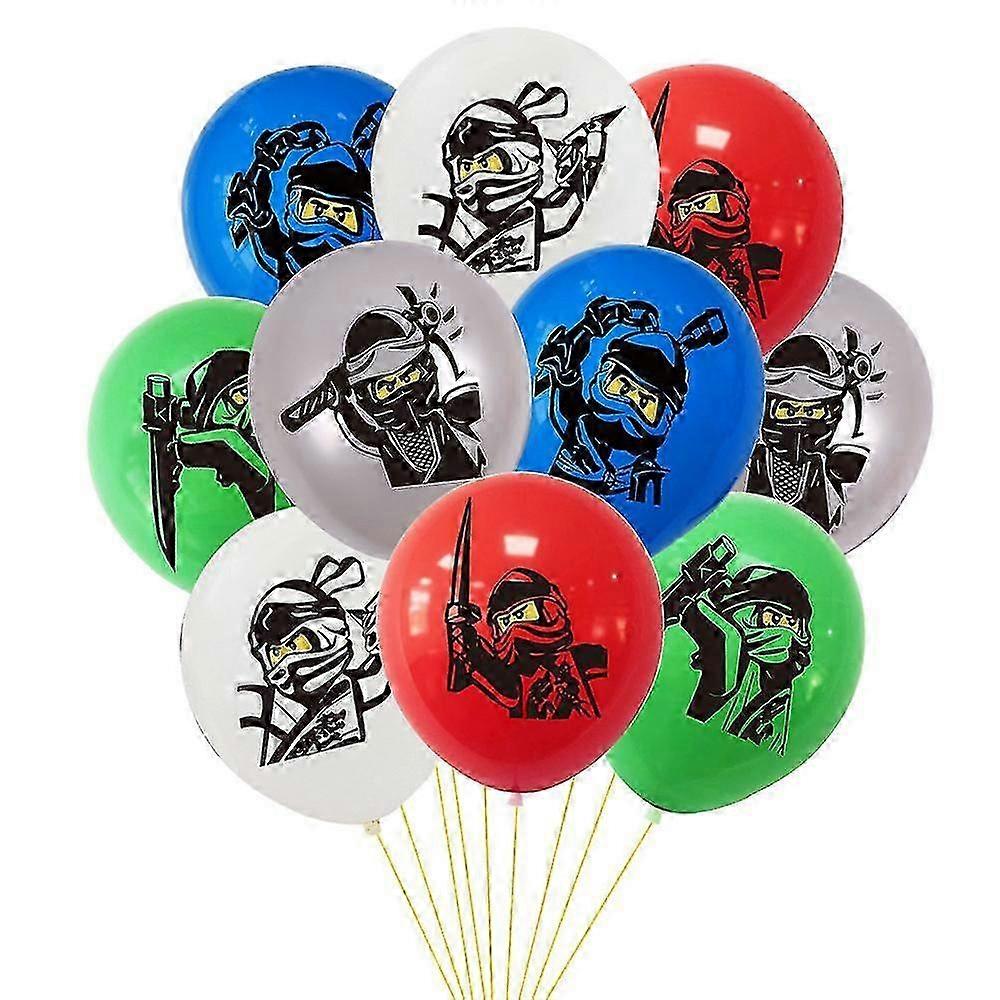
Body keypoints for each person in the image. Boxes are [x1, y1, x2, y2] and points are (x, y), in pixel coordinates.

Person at [534, 296, 728, 505]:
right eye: (623, 388)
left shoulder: (643, 474)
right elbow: (565, 405)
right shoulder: (582, 426)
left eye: (644, 404)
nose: (626, 408)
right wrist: (571, 361)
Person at [421, 82, 620, 273]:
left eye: (486, 163)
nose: (471, 179)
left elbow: (566, 209)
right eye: (465, 168)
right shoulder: (437, 215)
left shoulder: (527, 218)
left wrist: (584, 165)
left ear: (521, 157)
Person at [238, 556, 388, 765]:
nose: (283, 663)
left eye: (293, 645)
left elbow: (381, 681)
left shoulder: (356, 686)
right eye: (276, 654)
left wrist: (389, 634)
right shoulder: (257, 706)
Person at [746, 329, 884, 531]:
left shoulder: (840, 465)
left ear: (831, 414)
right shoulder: (750, 460)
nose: (800, 420)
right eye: (788, 410)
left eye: (812, 412)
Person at [446, 568, 607, 720]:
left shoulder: (589, 660)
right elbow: (476, 667)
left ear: (547, 609)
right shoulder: (515, 683)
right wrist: (463, 635)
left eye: (521, 614)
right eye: (505, 621)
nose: (515, 628)